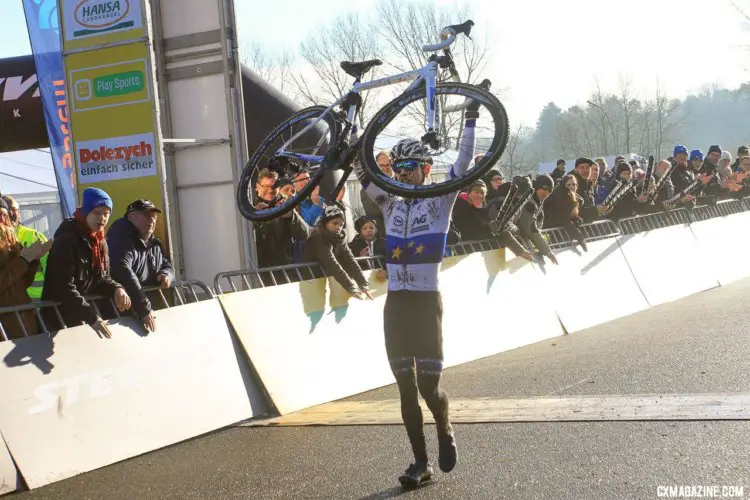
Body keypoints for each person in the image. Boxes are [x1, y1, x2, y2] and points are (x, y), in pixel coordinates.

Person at [351, 102, 481, 488]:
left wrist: (470, 117)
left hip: (426, 303)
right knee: (405, 390)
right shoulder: (390, 202)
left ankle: (444, 425)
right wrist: (356, 121)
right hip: (396, 304)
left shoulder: (440, 199)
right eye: (400, 168)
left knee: (429, 388)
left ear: (425, 169)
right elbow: (361, 166)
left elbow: (464, 161)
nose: (404, 173)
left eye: (412, 167)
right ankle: (419, 463)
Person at [42, 188, 131, 337]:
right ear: (85, 213)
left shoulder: (100, 241)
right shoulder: (67, 239)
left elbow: (101, 278)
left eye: (106, 213)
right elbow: (63, 286)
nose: (102, 218)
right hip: (58, 320)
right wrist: (91, 316)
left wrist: (117, 289)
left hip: (84, 319)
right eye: (97, 212)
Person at [107, 199, 175, 333]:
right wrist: (144, 308)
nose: (152, 220)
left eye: (153, 216)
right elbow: (123, 271)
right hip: (121, 316)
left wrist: (166, 274)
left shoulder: (154, 244)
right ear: (131, 216)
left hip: (143, 313)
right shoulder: (122, 239)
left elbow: (166, 264)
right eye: (146, 215)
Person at [0, 197, 51, 339]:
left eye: (5, 215)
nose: (2, 220)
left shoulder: (13, 242)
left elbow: (24, 283)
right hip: (6, 325)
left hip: (23, 318)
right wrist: (23, 260)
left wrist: (33, 260)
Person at [304, 204, 372, 298]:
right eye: (335, 223)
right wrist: (351, 287)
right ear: (325, 223)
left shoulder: (341, 237)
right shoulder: (318, 237)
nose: (338, 227)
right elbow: (331, 263)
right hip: (309, 280)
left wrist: (363, 284)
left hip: (326, 278)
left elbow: (351, 259)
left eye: (341, 224)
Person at [3, 195, 48, 300]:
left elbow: (51, 269)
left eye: (14, 210)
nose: (11, 213)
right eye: (8, 210)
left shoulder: (35, 236)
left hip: (37, 301)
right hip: (10, 303)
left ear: (19, 213)